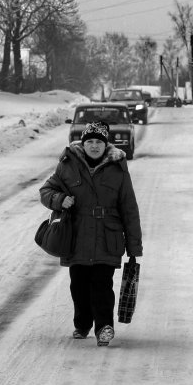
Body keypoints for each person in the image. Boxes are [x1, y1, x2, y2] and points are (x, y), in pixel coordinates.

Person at [39, 120, 143, 347]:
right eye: (90, 142)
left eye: (99, 142)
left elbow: (129, 208)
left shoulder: (118, 168)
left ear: (106, 145)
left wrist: (134, 247)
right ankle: (82, 323)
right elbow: (46, 190)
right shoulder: (68, 164)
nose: (94, 146)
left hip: (108, 236)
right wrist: (60, 199)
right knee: (79, 284)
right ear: (83, 143)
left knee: (101, 284)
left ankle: (104, 327)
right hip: (76, 237)